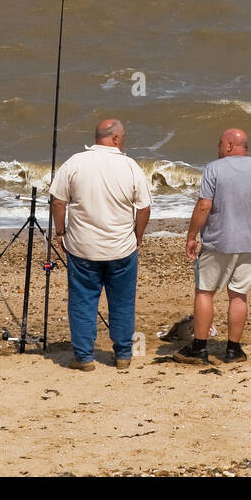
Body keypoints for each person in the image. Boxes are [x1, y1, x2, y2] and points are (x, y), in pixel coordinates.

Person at [49, 118, 151, 372]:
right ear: (115, 138)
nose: (124, 140)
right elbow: (144, 207)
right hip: (121, 247)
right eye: (123, 136)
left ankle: (84, 357)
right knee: (122, 301)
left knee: (82, 301)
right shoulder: (129, 166)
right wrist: (138, 237)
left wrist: (60, 232)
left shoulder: (75, 162)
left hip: (82, 247)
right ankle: (123, 355)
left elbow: (58, 201)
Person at [175, 127, 251, 365]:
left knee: (205, 291)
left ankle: (199, 347)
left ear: (230, 145)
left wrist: (191, 236)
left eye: (220, 143)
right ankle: (233, 350)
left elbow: (204, 205)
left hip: (218, 241)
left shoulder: (214, 168)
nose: (218, 148)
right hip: (250, 242)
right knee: (238, 295)